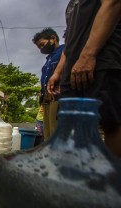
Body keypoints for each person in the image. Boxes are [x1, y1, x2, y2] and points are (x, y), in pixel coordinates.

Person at [47, 0, 121, 157]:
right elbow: (69, 41)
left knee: (111, 123)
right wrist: (58, 72)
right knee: (71, 121)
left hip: (101, 59)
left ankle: (112, 178)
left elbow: (112, 3)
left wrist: (89, 54)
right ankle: (79, 174)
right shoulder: (72, 5)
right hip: (73, 67)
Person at [32, 27, 65, 140]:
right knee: (47, 134)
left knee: (56, 133)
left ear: (53, 38)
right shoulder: (49, 59)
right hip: (47, 99)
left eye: (42, 44)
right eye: (39, 47)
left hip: (58, 97)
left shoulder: (64, 51)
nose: (41, 48)